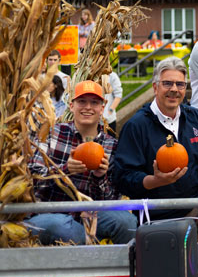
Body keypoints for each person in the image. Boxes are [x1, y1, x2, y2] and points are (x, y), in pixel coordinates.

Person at [112, 57, 198, 241]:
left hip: (192, 203)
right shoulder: (137, 125)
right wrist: (153, 181)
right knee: (169, 243)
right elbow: (122, 177)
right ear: (155, 87)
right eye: (167, 83)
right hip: (155, 211)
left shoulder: (194, 117)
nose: (174, 89)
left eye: (180, 84)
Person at [26, 81, 137, 245]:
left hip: (91, 214)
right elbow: (32, 179)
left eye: (94, 102)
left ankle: (121, 269)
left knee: (128, 223)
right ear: (71, 106)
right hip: (48, 214)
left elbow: (112, 200)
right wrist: (64, 171)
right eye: (82, 101)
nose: (88, 107)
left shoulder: (111, 145)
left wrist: (100, 177)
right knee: (69, 230)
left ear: (102, 107)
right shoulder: (51, 134)